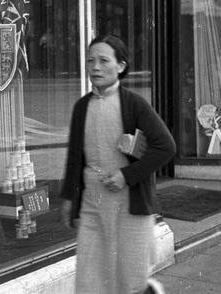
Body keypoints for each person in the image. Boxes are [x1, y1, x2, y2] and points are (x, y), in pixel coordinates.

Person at [60, 35, 175, 294]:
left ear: (121, 66)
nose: (95, 67)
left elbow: (166, 147)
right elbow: (74, 159)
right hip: (92, 203)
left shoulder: (135, 104)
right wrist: (69, 198)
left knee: (129, 280)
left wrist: (127, 175)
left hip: (129, 204)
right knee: (89, 278)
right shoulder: (81, 107)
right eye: (91, 61)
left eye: (103, 60)